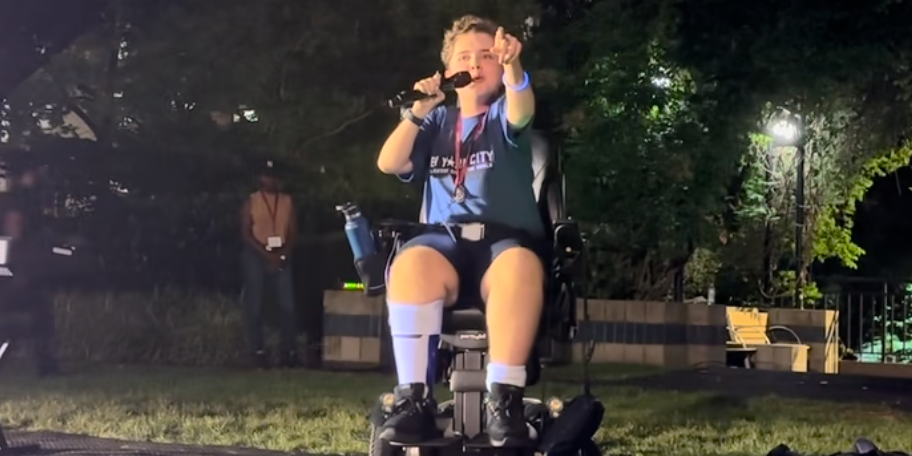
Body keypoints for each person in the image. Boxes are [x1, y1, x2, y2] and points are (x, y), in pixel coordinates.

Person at [375, 15, 542, 447]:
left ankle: (505, 400)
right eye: (465, 57)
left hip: (501, 243)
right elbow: (390, 163)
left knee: (521, 265)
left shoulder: (504, 114)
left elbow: (523, 107)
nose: (478, 63)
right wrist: (416, 112)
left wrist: (514, 69)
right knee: (409, 262)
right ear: (449, 71)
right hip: (442, 241)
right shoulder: (436, 122)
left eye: (487, 55)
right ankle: (414, 399)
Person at [0, 159, 59, 377]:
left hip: (6, 269)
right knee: (38, 314)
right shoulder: (18, 201)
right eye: (34, 172)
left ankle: (45, 363)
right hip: (16, 269)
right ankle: (46, 365)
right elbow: (14, 232)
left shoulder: (5, 199)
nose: (37, 176)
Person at [239, 159, 299, 369]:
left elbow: (293, 232)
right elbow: (246, 232)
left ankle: (288, 352)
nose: (269, 180)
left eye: (272, 176)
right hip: (257, 253)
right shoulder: (251, 201)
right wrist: (265, 253)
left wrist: (281, 255)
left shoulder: (287, 201)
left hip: (281, 252)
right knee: (255, 304)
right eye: (266, 175)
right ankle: (257, 351)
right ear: (260, 178)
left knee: (287, 305)